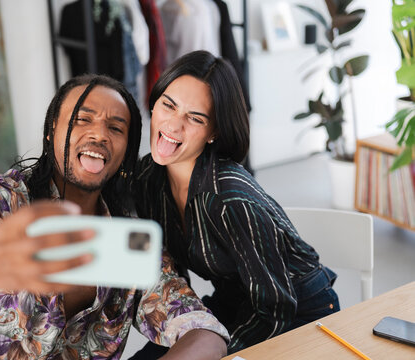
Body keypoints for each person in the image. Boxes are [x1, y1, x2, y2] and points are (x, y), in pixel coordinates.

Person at [0, 74, 229, 360]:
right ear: (50, 130)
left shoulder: (127, 239)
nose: (99, 134)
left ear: (125, 151)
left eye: (116, 128)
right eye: (83, 119)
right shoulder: (2, 199)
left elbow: (204, 333)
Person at [132, 50, 340, 355]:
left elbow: (276, 305)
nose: (173, 126)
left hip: (298, 313)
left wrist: (222, 353)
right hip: (236, 302)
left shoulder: (230, 198)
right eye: (168, 105)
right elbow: (172, 282)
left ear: (213, 132)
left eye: (195, 118)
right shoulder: (147, 177)